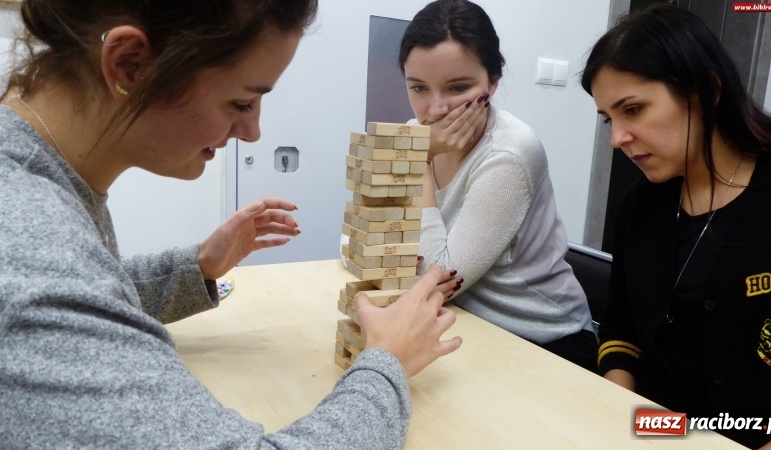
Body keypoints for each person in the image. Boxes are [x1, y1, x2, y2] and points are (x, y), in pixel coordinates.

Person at [0, 1, 463, 448]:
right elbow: (52, 293)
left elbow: (90, 297)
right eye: (241, 103)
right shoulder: (27, 245)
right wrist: (387, 363)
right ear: (129, 65)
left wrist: (198, 264)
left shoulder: (40, 179)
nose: (253, 132)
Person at [581, 5, 771, 448]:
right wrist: (616, 414)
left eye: (634, 110)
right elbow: (620, 326)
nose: (617, 138)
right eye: (609, 118)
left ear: (706, 91)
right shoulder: (641, 204)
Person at [399, 0, 597, 373]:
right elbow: (375, 243)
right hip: (465, 325)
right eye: (419, 87)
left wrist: (417, 160)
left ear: (492, 82)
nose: (436, 109)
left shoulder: (511, 152)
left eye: (458, 87)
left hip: (545, 340)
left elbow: (434, 280)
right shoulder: (416, 135)